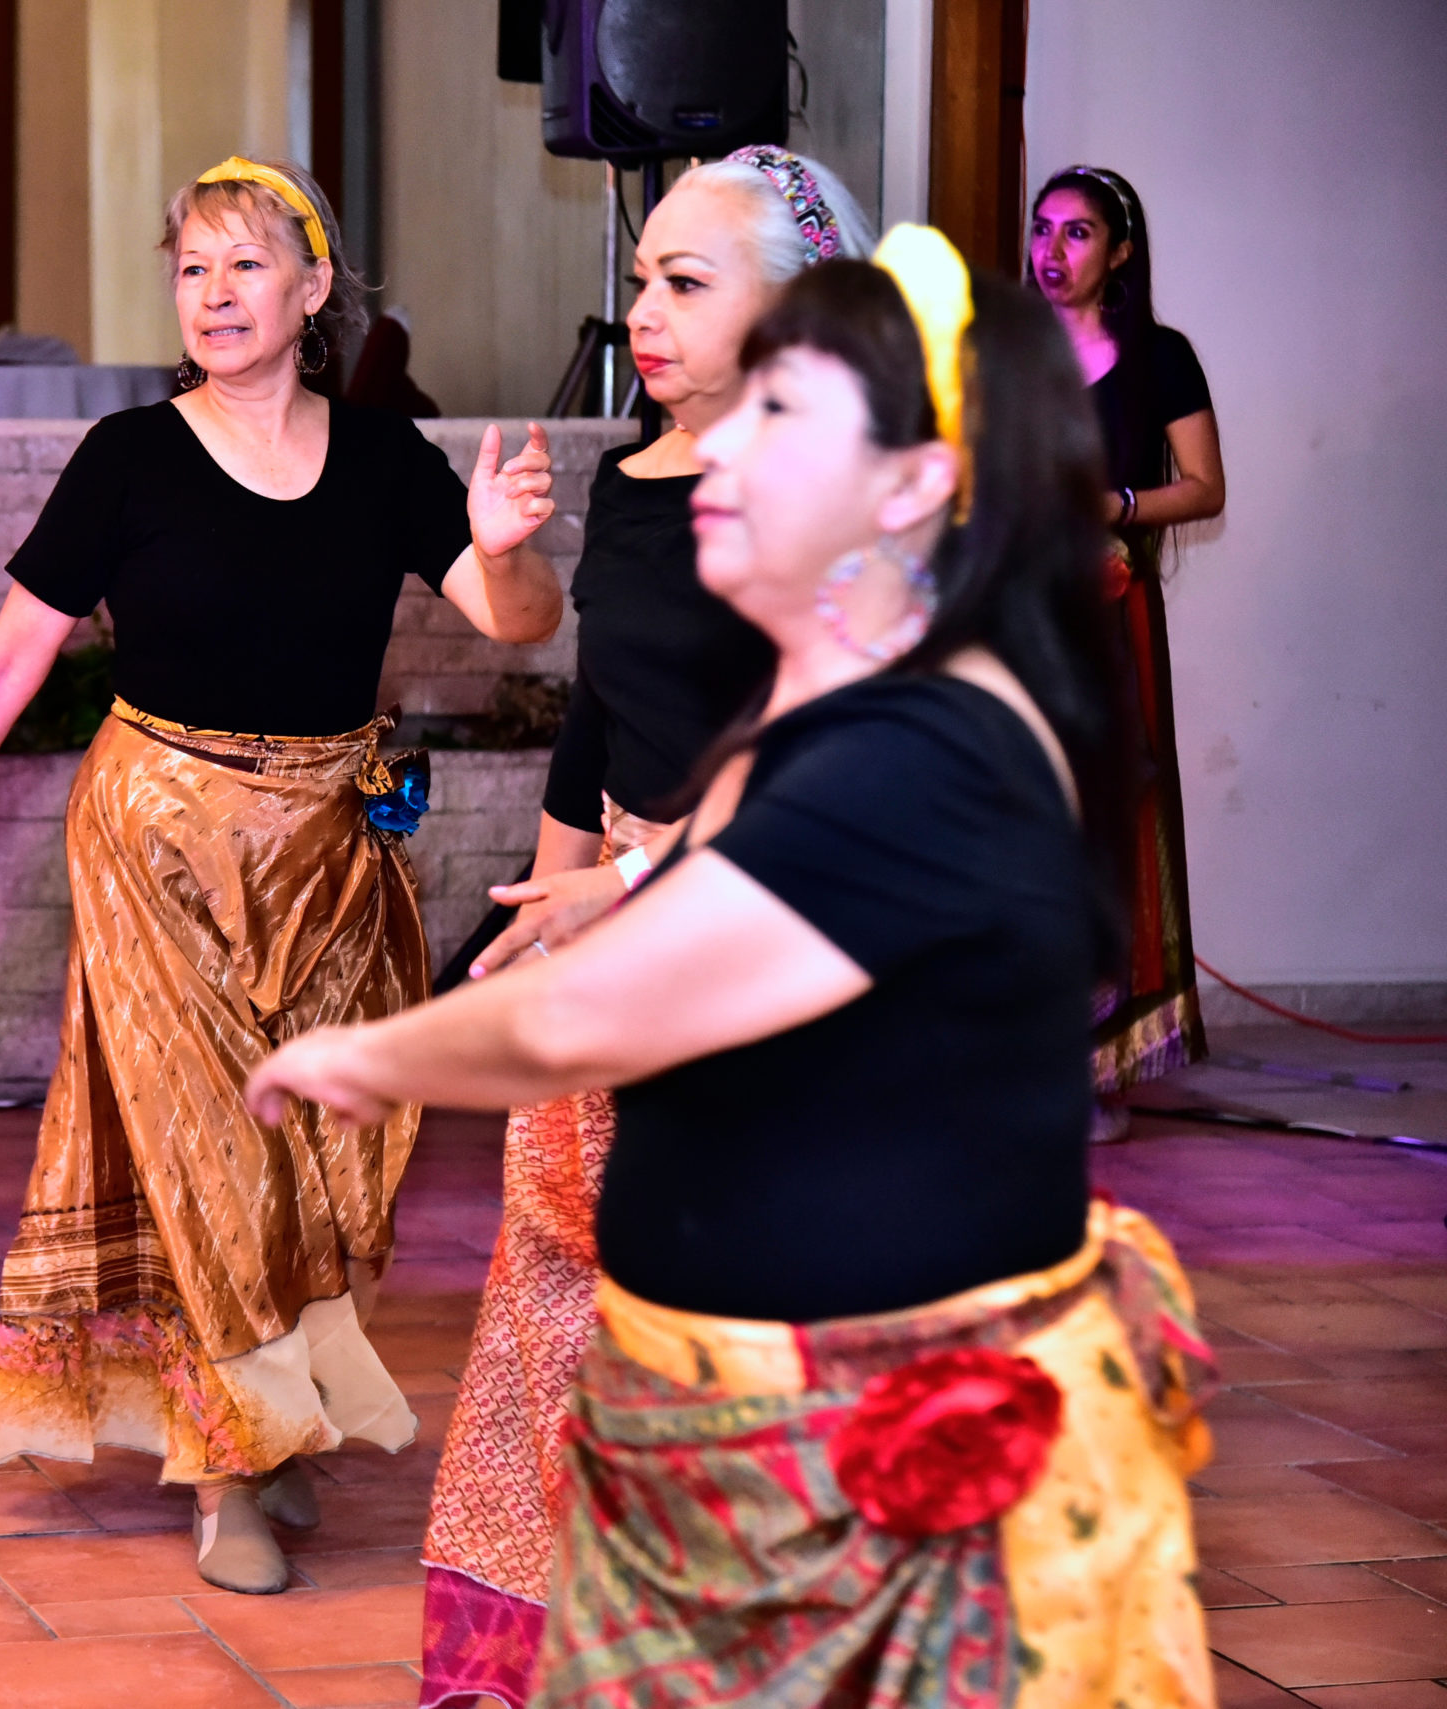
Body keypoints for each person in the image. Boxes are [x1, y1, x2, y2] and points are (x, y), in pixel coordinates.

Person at [249, 231, 1216, 1705]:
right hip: (729, 1440)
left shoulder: (918, 753)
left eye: (783, 413)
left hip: (866, 1484)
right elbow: (732, 824)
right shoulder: (857, 699)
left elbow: (580, 1026)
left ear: (912, 487)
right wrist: (626, 877)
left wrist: (356, 1056)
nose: (722, 443)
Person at [0, 156, 565, 1596]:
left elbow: (518, 623)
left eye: (245, 266)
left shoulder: (384, 463)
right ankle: (227, 1470)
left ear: (312, 290)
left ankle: (268, 1421)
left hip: (331, 854)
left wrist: (508, 549)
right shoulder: (130, 459)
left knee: (317, 1157)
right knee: (212, 1148)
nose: (215, 294)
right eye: (191, 269)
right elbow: (4, 662)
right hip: (156, 836)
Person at [420, 146, 873, 1709]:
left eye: (688, 282)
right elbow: (595, 707)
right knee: (562, 1280)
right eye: (640, 280)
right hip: (617, 920)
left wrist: (644, 878)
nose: (645, 312)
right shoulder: (633, 476)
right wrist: (553, 898)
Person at [1030, 165, 1225, 1124]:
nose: (1052, 252)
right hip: (1013, 619)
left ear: (1120, 253)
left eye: (1076, 234)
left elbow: (1205, 486)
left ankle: (1095, 1063)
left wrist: (1118, 505)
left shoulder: (1161, 358)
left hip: (1110, 614)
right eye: (1043, 230)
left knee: (1106, 830)